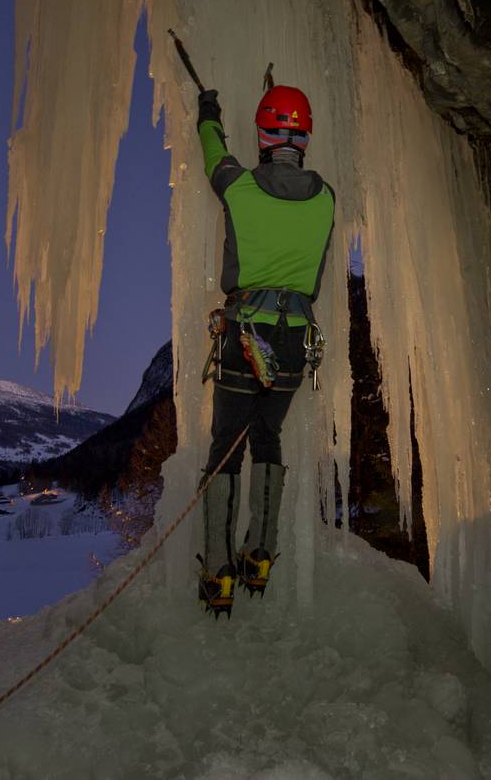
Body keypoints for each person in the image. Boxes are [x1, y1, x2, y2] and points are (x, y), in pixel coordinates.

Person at [195, 84, 335, 617]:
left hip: (244, 334)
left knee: (227, 443)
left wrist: (210, 111)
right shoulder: (326, 198)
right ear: (305, 137)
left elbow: (213, 151)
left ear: (262, 134)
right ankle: (259, 558)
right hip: (295, 339)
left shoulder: (239, 187)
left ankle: (218, 571)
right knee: (267, 435)